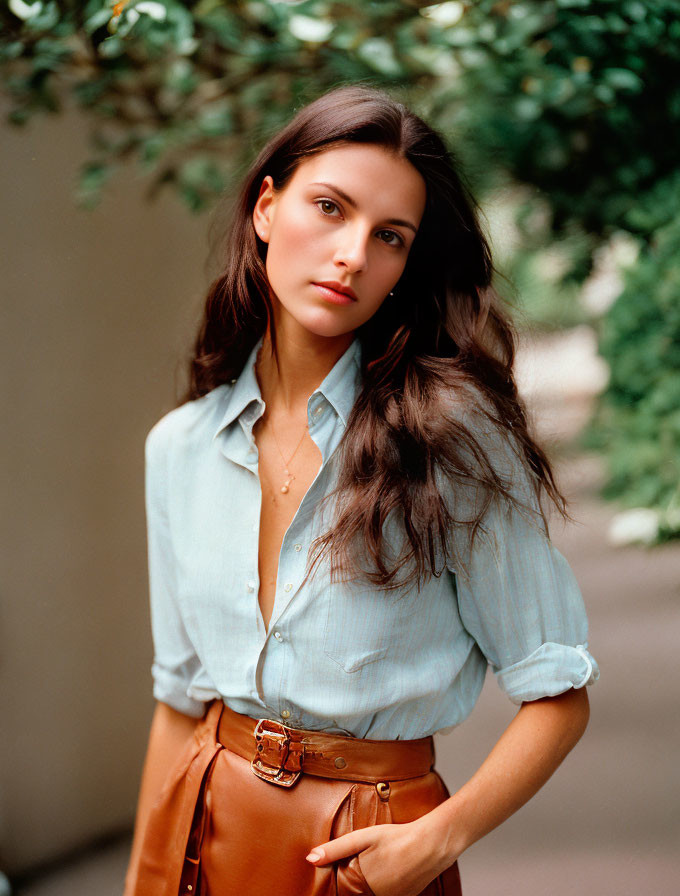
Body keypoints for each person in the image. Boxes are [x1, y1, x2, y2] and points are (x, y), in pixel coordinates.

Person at [123, 84, 600, 896]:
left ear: (405, 268)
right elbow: (180, 704)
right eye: (329, 207)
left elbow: (558, 693)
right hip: (205, 827)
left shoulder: (452, 436)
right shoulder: (179, 450)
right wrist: (144, 883)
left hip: (371, 848)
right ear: (266, 208)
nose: (352, 254)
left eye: (389, 237)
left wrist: (432, 842)